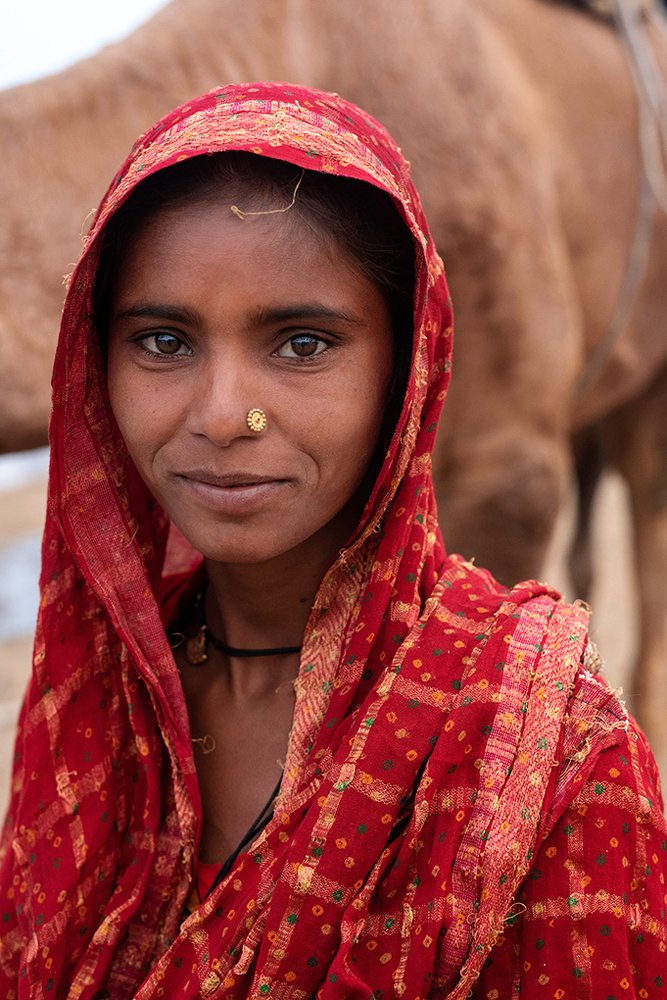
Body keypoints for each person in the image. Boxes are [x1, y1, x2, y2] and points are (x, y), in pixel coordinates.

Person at [0, 82, 665, 999]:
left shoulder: (546, 752)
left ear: (406, 369)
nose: (223, 414)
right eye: (162, 340)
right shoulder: (99, 691)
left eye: (302, 344)